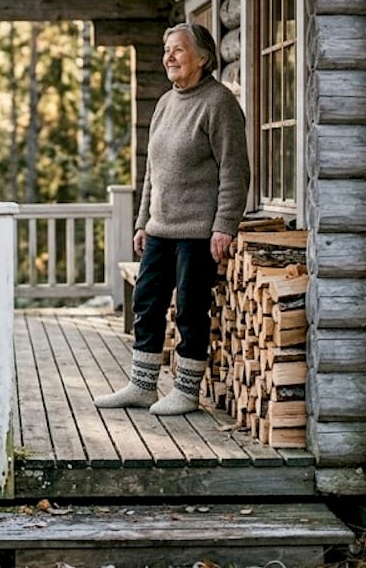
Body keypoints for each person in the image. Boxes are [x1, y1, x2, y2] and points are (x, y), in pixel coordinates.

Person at [94, 22, 250, 415]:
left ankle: (185, 391)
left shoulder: (219, 104)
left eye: (178, 50)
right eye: (167, 50)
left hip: (198, 232)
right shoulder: (165, 103)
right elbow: (153, 171)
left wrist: (224, 225)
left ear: (202, 57)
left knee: (190, 311)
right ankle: (142, 386)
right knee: (147, 303)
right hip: (160, 229)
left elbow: (235, 170)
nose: (169, 57)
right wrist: (142, 221)